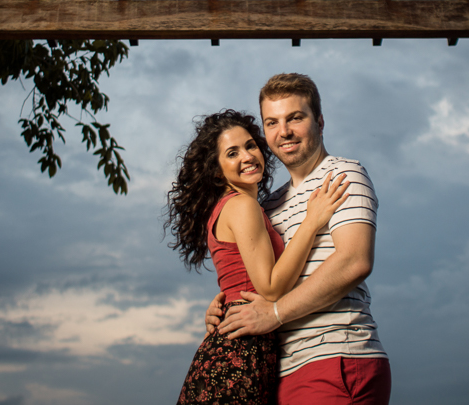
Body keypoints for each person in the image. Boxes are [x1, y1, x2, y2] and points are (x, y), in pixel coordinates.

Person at [210, 73, 392, 404]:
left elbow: (354, 261)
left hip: (336, 356)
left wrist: (275, 314)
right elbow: (264, 281)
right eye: (273, 122)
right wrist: (225, 304)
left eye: (295, 118)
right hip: (280, 369)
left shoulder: (343, 174)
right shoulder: (268, 206)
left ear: (319, 121)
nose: (285, 132)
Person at [165, 109, 350, 405]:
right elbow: (271, 287)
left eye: (250, 146)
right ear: (216, 169)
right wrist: (312, 221)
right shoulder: (241, 206)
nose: (247, 156)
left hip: (236, 349)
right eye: (232, 153)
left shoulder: (230, 207)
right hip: (240, 354)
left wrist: (224, 300)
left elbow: (239, 275)